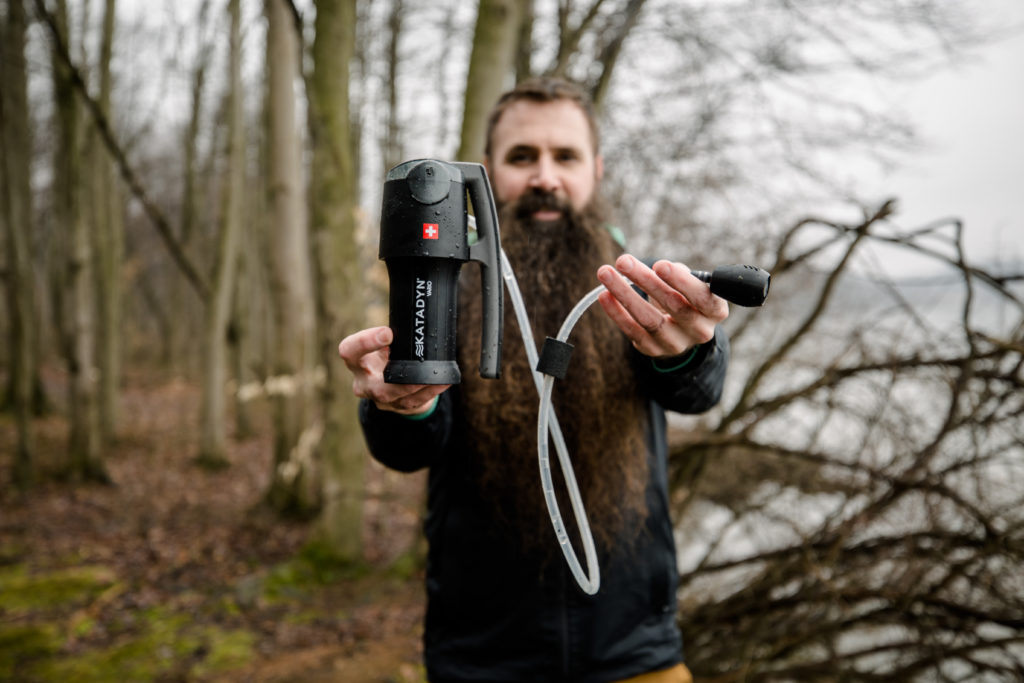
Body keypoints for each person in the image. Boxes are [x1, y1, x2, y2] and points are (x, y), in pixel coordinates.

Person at [339, 77, 729, 683]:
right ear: (489, 173)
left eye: (564, 156)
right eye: (523, 157)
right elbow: (406, 449)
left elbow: (697, 392)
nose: (545, 176)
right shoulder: (442, 289)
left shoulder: (637, 290)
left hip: (634, 651)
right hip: (482, 656)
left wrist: (688, 347)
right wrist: (401, 403)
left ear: (595, 170)